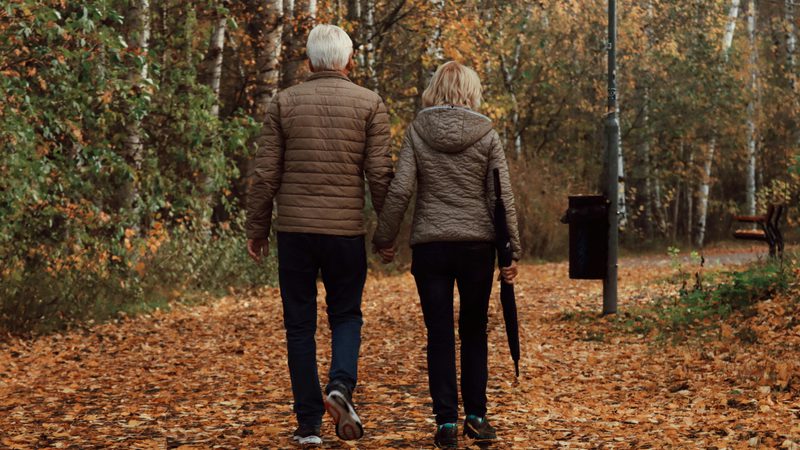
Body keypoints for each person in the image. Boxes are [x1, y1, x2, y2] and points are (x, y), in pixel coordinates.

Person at [245, 24, 393, 446]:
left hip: (294, 232)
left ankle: (308, 424)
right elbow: (380, 175)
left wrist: (257, 229)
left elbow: (266, 174)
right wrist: (385, 233)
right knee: (346, 315)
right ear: (348, 62)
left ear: (309, 62)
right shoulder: (369, 103)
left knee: (299, 326)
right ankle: (340, 387)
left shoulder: (284, 102)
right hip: (344, 231)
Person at [372, 61, 521, 449]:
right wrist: (510, 252)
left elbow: (402, 189)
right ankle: (477, 415)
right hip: (476, 246)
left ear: (435, 90)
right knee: (473, 330)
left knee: (438, 334)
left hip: (431, 247)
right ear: (471, 92)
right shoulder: (487, 134)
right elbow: (501, 197)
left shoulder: (418, 132)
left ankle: (446, 424)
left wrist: (384, 237)